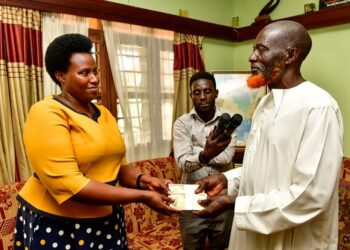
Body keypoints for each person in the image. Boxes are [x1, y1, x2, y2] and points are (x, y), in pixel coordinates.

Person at [13, 33, 179, 250]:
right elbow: (71, 185)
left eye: (95, 71)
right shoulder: (46, 112)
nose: (94, 78)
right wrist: (143, 196)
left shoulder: (103, 113)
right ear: (60, 76)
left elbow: (118, 165)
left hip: (105, 219)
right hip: (57, 223)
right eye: (84, 73)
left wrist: (146, 181)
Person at [193, 20, 344, 250]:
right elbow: (263, 166)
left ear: (290, 55)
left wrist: (234, 203)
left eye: (261, 49)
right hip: (253, 236)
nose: (251, 57)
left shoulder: (319, 107)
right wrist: (227, 180)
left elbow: (311, 195)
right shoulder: (265, 102)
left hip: (294, 240)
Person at [173, 71, 237, 250]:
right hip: (192, 199)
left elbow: (226, 157)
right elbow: (183, 164)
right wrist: (207, 153)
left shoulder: (229, 123)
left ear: (216, 93)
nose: (202, 96)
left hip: (223, 198)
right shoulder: (182, 123)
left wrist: (196, 152)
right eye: (197, 92)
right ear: (191, 95)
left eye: (207, 91)